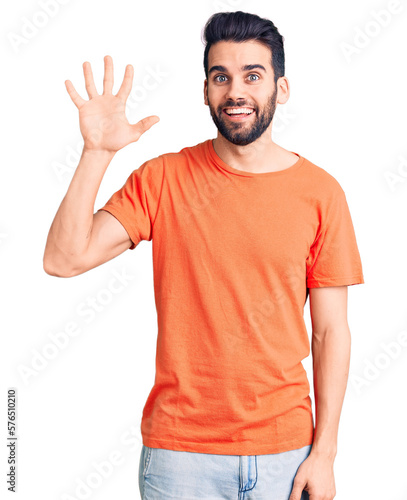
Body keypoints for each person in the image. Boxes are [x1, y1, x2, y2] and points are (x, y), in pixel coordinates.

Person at [43, 10, 364, 500]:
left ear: (281, 88)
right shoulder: (163, 178)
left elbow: (329, 332)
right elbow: (64, 259)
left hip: (286, 454)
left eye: (253, 76)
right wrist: (96, 153)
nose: (236, 92)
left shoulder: (322, 194)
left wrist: (325, 454)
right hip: (179, 459)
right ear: (207, 90)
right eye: (221, 77)